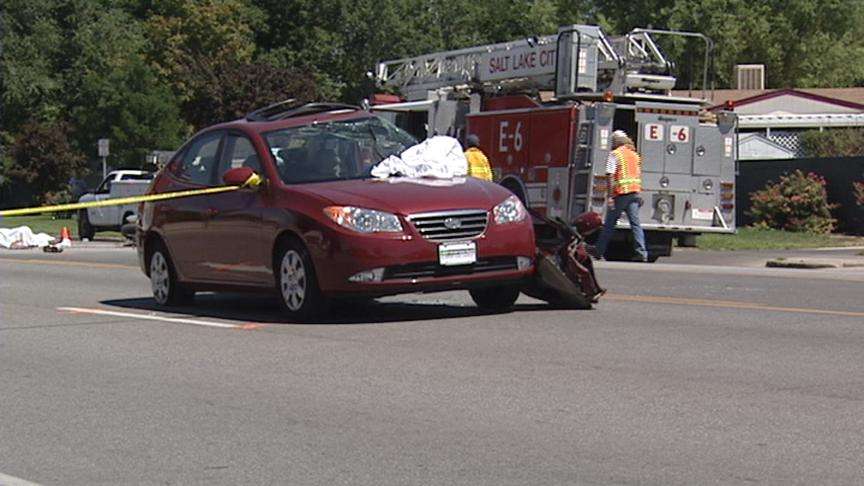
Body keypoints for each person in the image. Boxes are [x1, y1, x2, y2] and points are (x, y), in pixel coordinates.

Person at [592, 130, 648, 262]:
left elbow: (610, 175)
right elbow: (637, 174)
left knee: (609, 224)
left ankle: (598, 251)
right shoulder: (635, 155)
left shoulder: (615, 154)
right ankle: (641, 252)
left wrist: (610, 196)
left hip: (621, 194)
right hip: (634, 193)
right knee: (635, 224)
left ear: (615, 141)